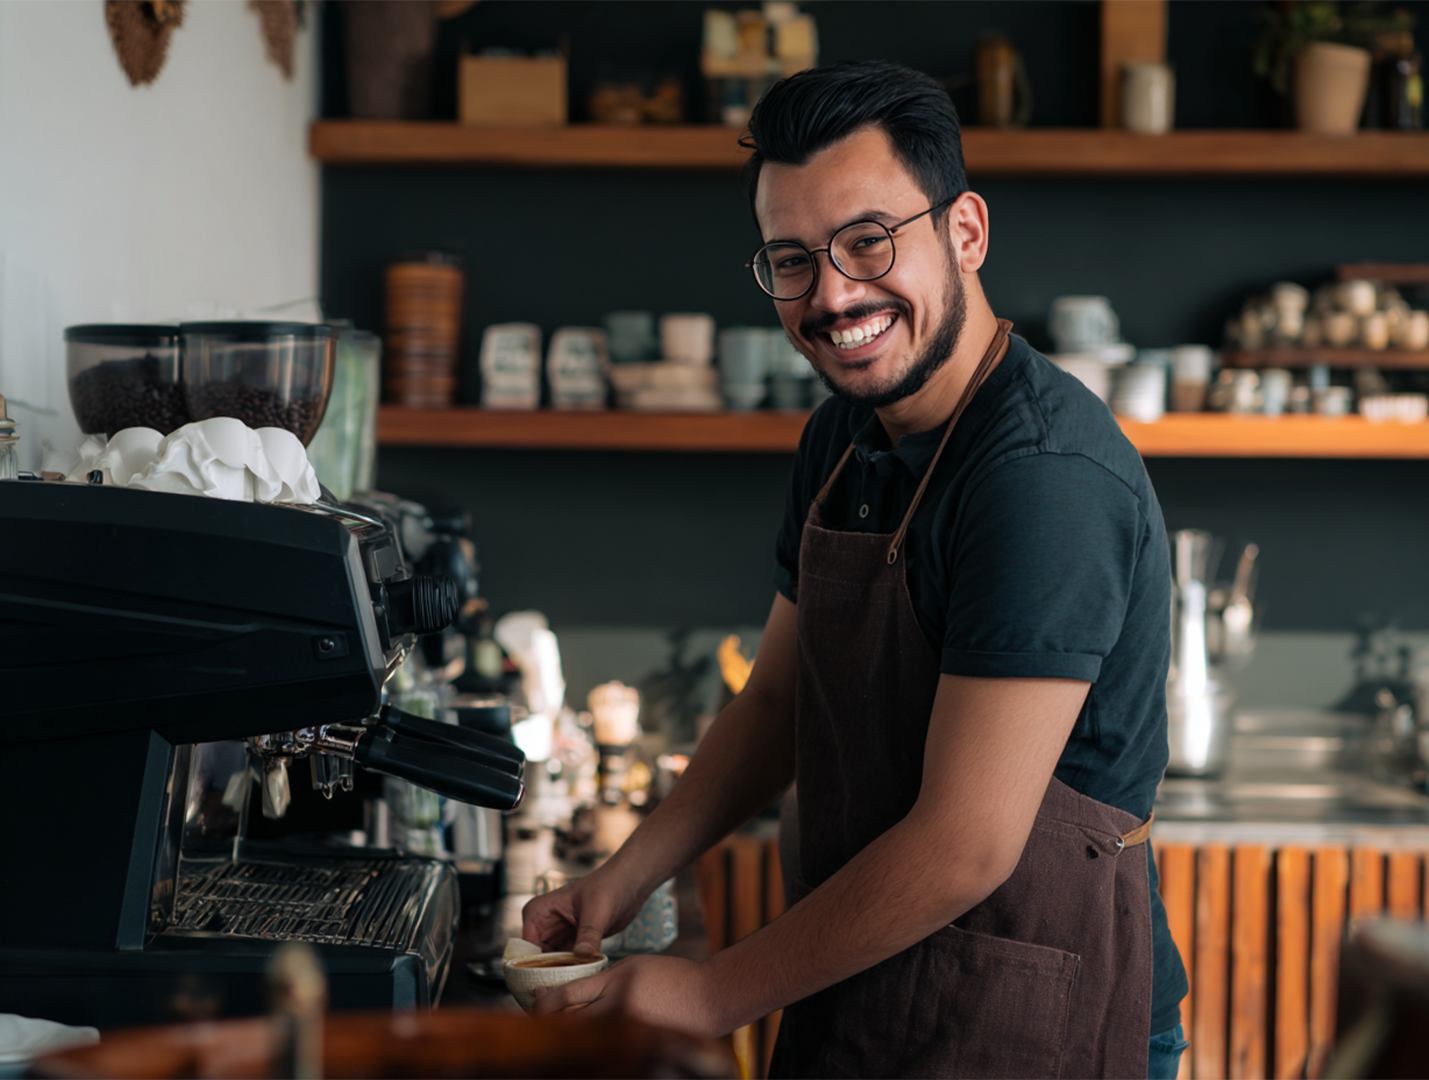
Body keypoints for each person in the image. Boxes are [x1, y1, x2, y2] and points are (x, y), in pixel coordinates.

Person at [522, 60, 1189, 1080]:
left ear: (963, 232)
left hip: (1038, 1010)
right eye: (791, 260)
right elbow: (779, 701)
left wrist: (706, 993)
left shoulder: (1040, 479)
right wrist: (621, 879)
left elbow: (967, 842)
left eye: (868, 242)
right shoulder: (843, 434)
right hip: (865, 977)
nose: (833, 296)